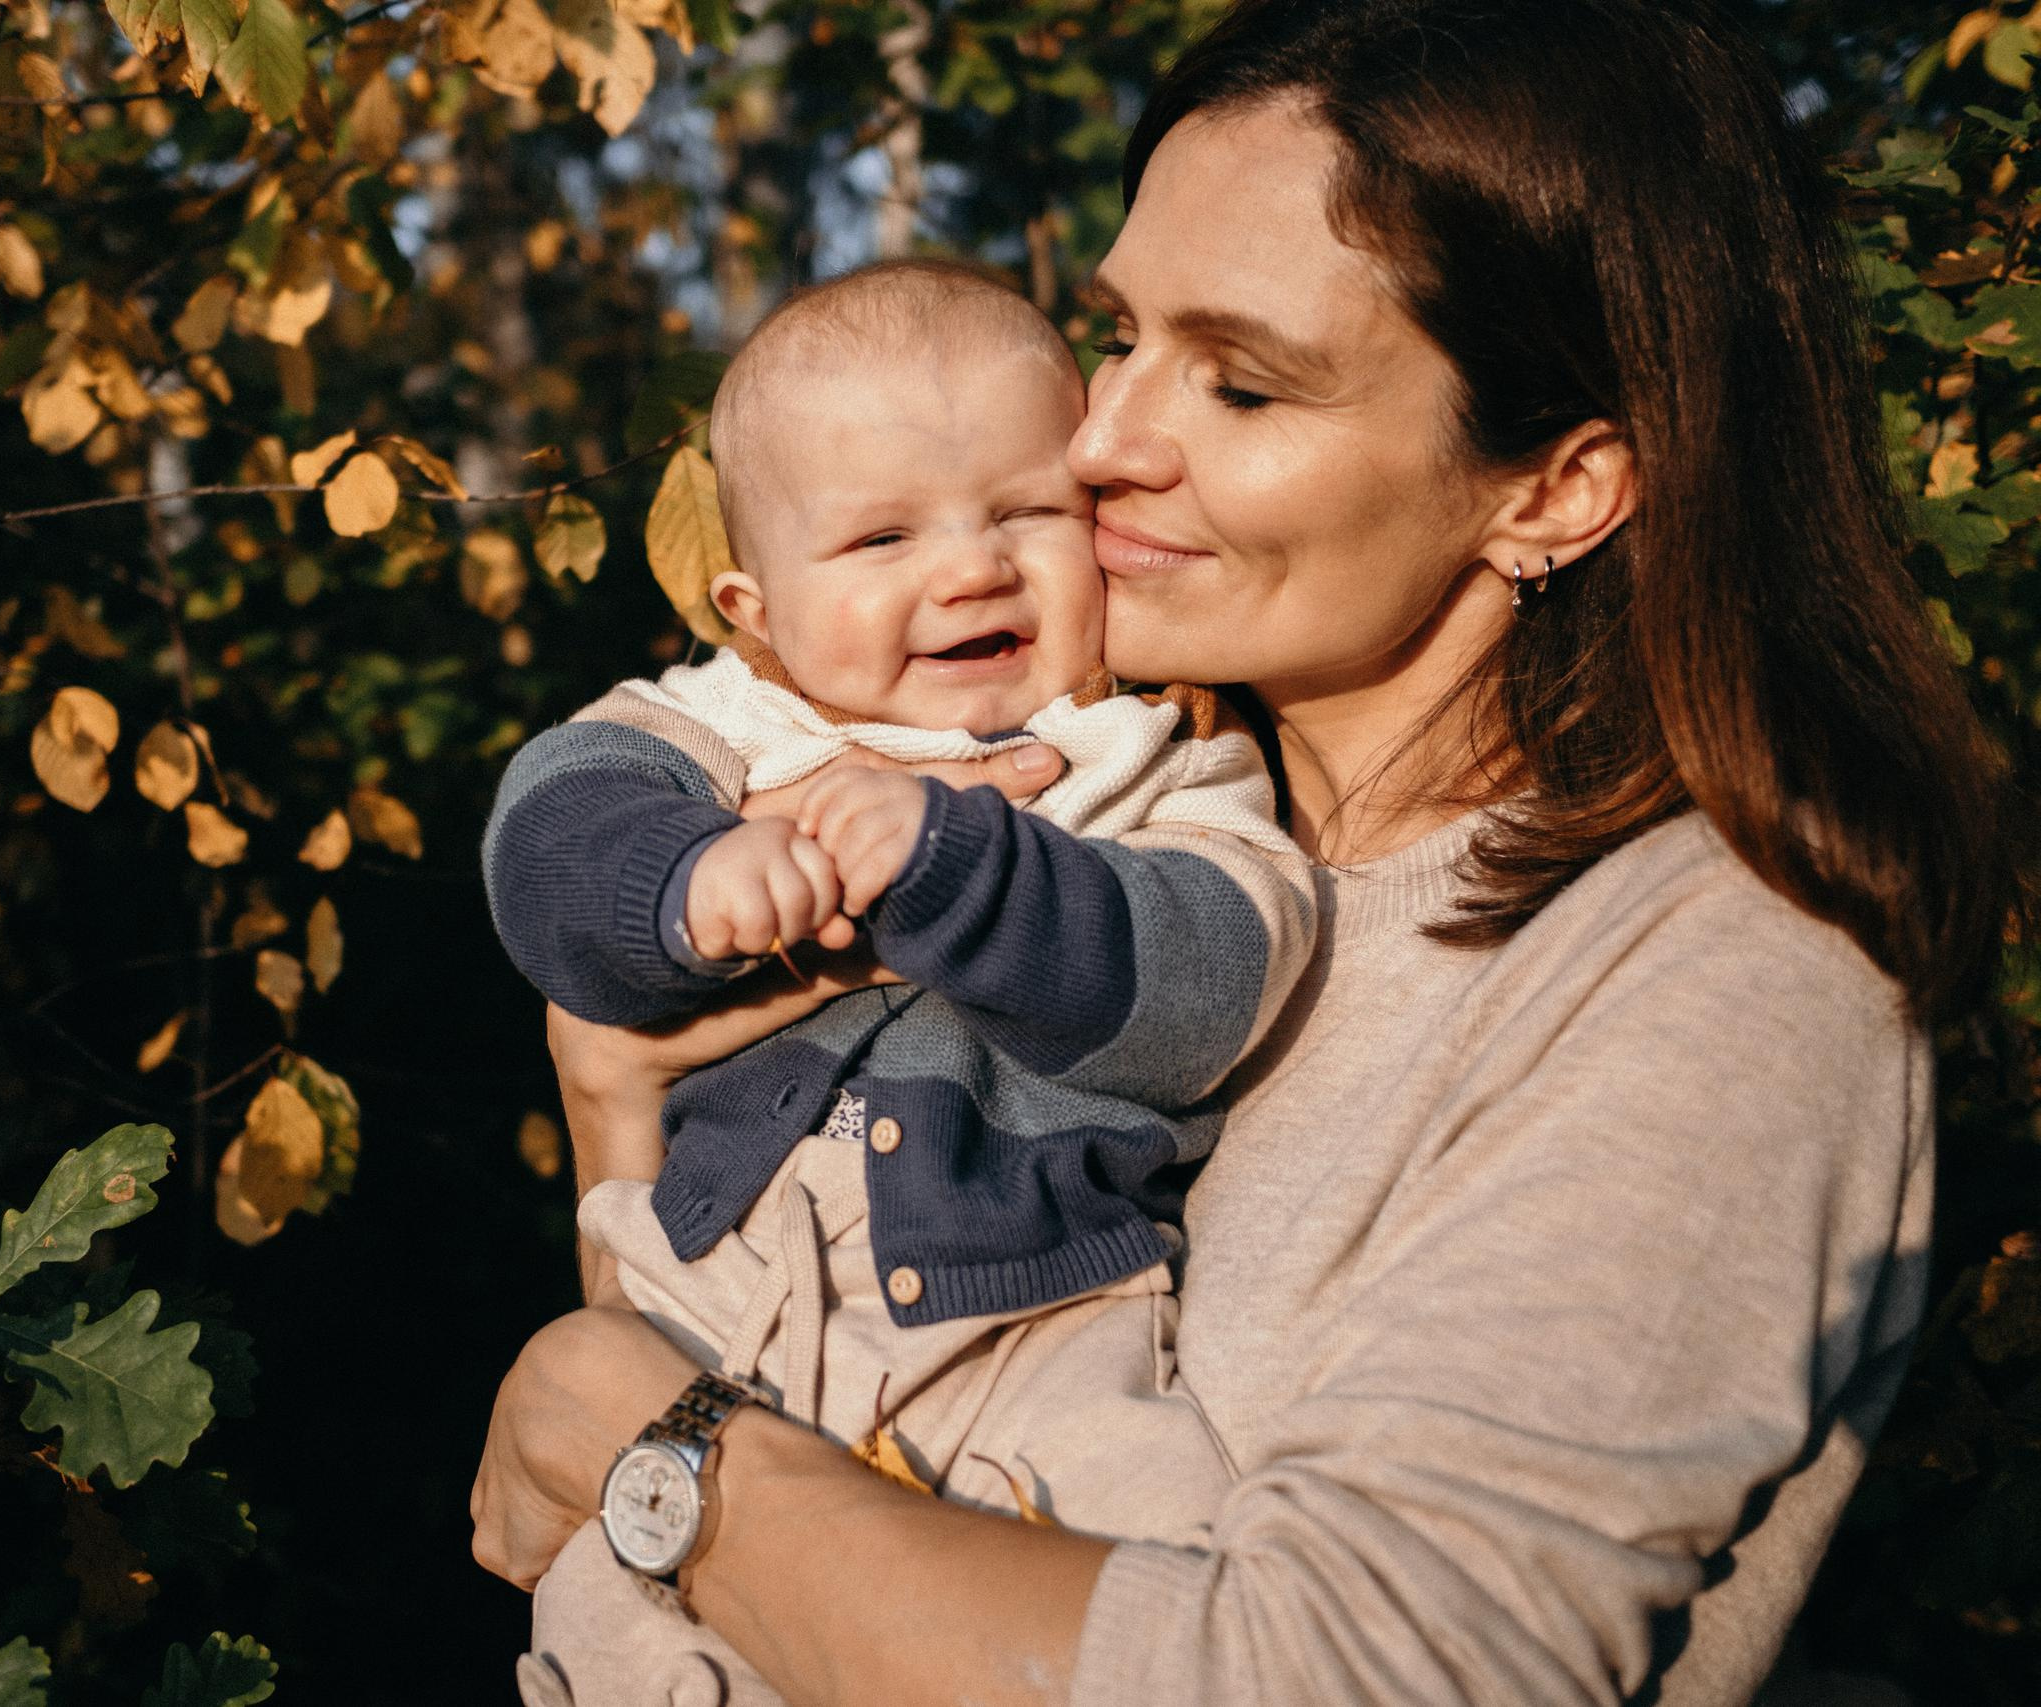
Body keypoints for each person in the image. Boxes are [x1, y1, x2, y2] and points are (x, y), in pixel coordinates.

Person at [471, 1, 2014, 1702]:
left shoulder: (1713, 976)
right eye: (1116, 335)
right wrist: (618, 1131)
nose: (1106, 438)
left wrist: (646, 1439)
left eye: (1244, 380)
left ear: (1558, 489)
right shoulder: (1098, 784)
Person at [480, 260, 1315, 1705]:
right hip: (709, 1311)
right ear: (754, 606)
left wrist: (967, 869)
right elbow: (543, 842)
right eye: (879, 536)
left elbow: (1210, 982)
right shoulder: (729, 727)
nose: (971, 568)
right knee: (619, 1637)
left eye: (1029, 511)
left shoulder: (1150, 754)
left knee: (1149, 1586)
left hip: (1045, 1322)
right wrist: (677, 883)